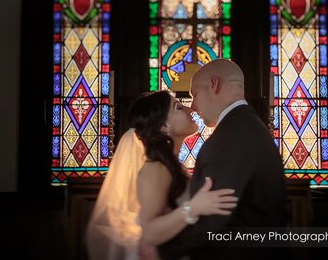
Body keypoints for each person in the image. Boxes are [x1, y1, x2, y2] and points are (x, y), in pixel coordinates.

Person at [158, 59, 288, 260]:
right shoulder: (252, 127)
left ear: (213, 85)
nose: (192, 106)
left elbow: (211, 221)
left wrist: (161, 252)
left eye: (194, 94)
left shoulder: (229, 138)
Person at [85, 90, 237, 260]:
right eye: (178, 107)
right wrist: (193, 208)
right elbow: (149, 232)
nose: (190, 109)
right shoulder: (155, 168)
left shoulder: (173, 165)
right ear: (164, 126)